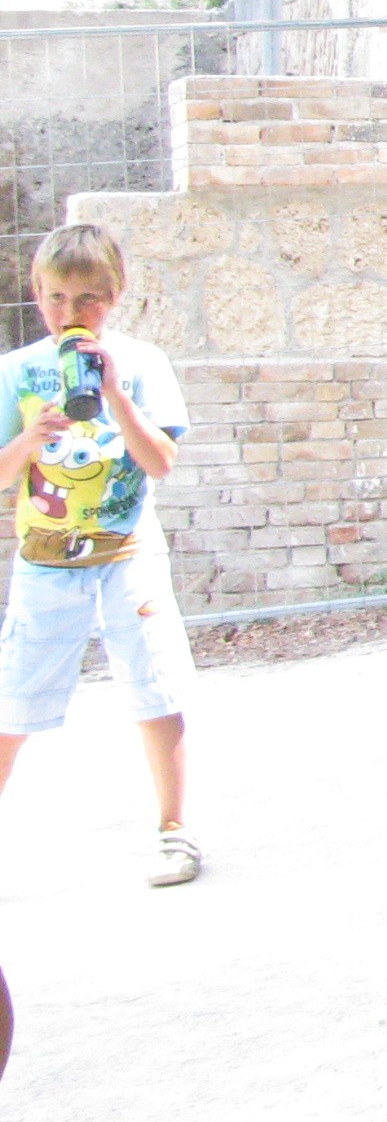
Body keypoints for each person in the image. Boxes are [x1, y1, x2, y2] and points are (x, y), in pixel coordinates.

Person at [0, 222, 198, 887]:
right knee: (13, 699)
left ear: (115, 295)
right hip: (46, 562)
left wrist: (114, 394)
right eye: (56, 298)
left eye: (87, 298)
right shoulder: (16, 371)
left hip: (128, 557)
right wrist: (29, 441)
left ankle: (175, 829)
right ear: (36, 295)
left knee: (155, 688)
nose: (70, 313)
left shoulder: (142, 363)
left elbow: (161, 461)